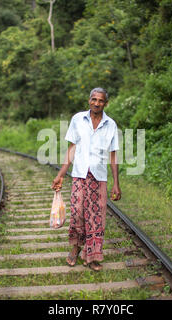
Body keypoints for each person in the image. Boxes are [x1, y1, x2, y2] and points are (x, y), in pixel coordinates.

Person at [51, 87, 121, 272]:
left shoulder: (110, 125)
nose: (96, 103)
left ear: (106, 103)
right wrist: (60, 174)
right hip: (80, 175)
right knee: (77, 214)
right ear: (89, 100)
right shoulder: (78, 120)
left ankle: (93, 256)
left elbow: (113, 156)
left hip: (99, 177)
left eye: (100, 100)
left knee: (96, 218)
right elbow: (72, 149)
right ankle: (75, 248)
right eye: (94, 99)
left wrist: (116, 183)